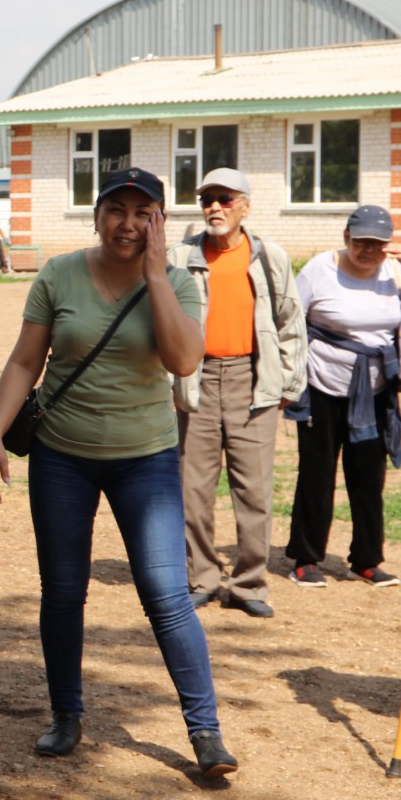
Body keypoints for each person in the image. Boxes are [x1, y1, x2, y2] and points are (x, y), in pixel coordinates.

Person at [0, 167, 237, 775]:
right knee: (64, 590)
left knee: (166, 593)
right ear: (96, 216)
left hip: (144, 460)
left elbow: (183, 360)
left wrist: (156, 277)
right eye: (116, 210)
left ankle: (205, 732)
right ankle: (66, 716)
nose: (128, 224)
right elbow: (25, 361)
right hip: (61, 457)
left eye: (143, 213)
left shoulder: (179, 281)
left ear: (160, 222)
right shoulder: (58, 274)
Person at [166, 167, 306, 619]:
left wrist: (288, 383)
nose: (215, 207)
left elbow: (290, 322)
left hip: (252, 379)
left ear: (245, 205)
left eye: (225, 199)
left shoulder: (269, 257)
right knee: (193, 489)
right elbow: (162, 321)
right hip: (197, 380)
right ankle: (202, 578)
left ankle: (249, 585)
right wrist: (168, 382)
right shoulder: (180, 257)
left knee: (254, 491)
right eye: (207, 199)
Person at [285, 206, 401, 589]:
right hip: (322, 385)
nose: (369, 250)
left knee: (368, 476)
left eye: (378, 244)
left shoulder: (395, 271)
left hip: (376, 390)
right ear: (347, 237)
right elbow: (290, 322)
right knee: (316, 473)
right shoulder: (318, 270)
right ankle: (306, 558)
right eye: (361, 241)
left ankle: (366, 560)